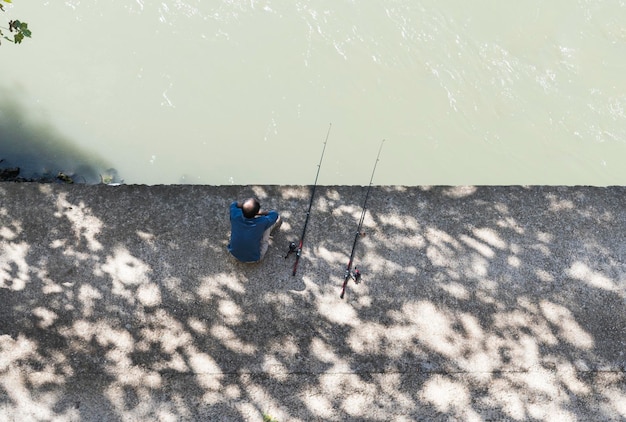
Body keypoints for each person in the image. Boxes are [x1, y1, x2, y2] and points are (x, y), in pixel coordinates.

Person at [228, 197, 282, 263]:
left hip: (234, 254)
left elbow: (234, 204)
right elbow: (274, 214)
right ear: (256, 213)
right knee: (267, 227)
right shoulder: (261, 222)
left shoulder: (235, 214)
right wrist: (260, 213)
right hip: (254, 258)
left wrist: (245, 207)